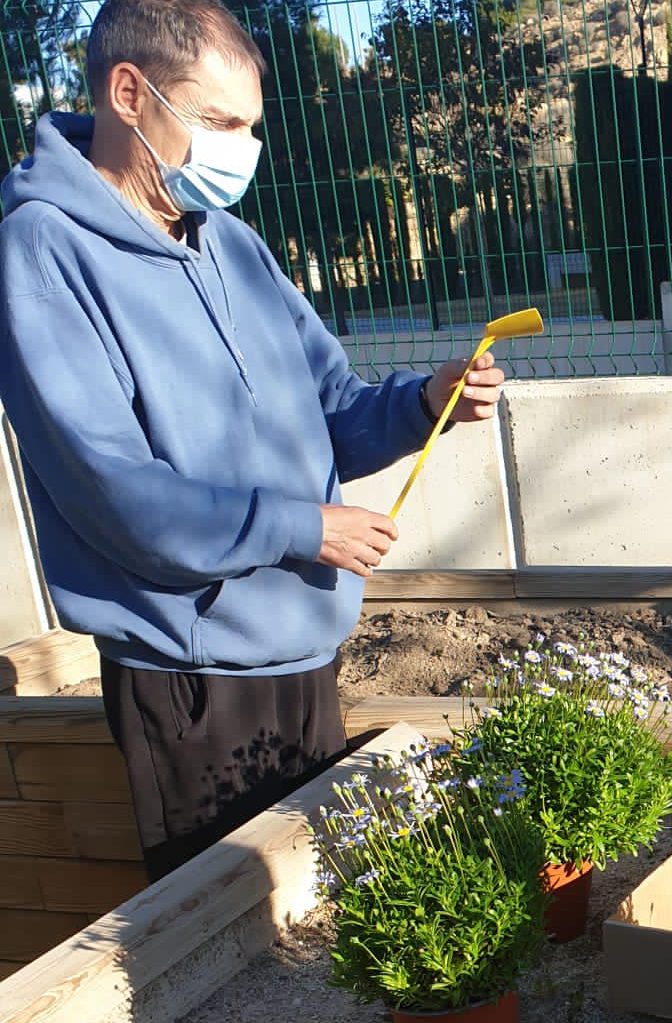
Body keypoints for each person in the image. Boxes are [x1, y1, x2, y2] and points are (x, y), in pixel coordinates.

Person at [0, 0, 505, 879]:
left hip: (306, 650)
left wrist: (424, 401)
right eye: (219, 121)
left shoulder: (231, 242)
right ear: (128, 93)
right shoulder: (42, 252)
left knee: (327, 914)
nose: (242, 148)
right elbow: (118, 494)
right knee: (229, 950)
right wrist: (302, 527)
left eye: (250, 126)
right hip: (191, 684)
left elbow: (333, 410)